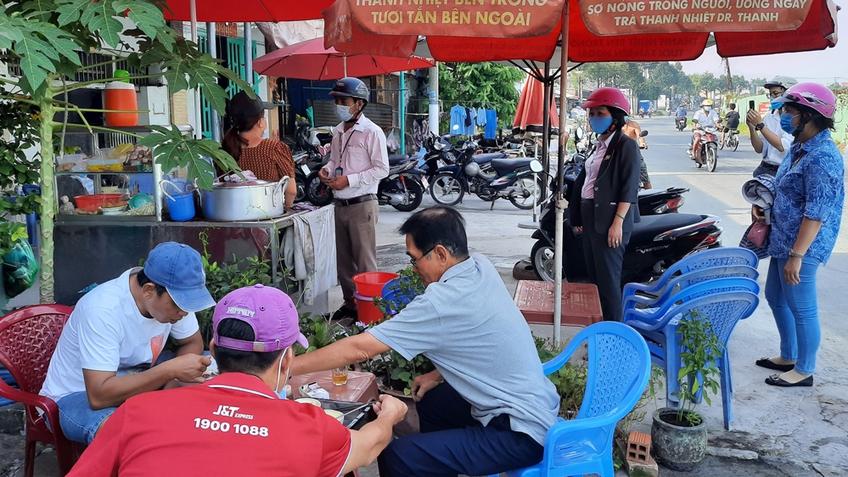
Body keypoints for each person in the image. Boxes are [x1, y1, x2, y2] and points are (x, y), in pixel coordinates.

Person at [292, 206, 559, 477]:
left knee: (399, 456)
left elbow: (361, 348)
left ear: (441, 254)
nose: (414, 268)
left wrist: (284, 368)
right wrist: (436, 374)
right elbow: (479, 339)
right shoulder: (481, 267)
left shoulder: (440, 302)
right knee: (433, 401)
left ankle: (423, 462)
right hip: (535, 404)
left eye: (415, 259)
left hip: (522, 434)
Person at [68, 284, 408, 476]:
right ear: (287, 359)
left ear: (214, 349)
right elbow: (367, 447)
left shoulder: (137, 412)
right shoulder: (311, 427)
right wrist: (391, 413)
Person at [40, 242, 215, 445]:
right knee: (128, 432)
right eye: (179, 304)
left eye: (189, 304)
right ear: (149, 290)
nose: (184, 313)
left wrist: (172, 383)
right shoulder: (102, 309)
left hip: (138, 373)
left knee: (208, 370)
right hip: (77, 394)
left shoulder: (172, 295)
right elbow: (99, 397)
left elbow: (192, 342)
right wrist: (169, 372)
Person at [753, 83, 844, 388]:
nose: (785, 117)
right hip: (783, 236)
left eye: (790, 112)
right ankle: (788, 355)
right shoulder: (798, 147)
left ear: (809, 114)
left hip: (804, 245)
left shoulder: (823, 157)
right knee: (775, 297)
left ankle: (804, 369)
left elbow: (816, 212)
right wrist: (764, 205)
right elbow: (787, 190)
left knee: (801, 306)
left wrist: (797, 256)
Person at [319, 77, 390, 322]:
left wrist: (349, 180)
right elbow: (334, 160)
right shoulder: (338, 131)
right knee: (344, 264)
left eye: (344, 101)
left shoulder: (372, 132)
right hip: (340, 203)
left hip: (362, 203)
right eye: (337, 101)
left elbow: (382, 169)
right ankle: (351, 306)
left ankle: (371, 314)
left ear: (359, 104)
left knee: (365, 263)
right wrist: (327, 169)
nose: (338, 105)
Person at [568, 87, 641, 323]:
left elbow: (628, 188)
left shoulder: (626, 146)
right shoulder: (598, 144)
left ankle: (615, 336)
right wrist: (577, 217)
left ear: (615, 117)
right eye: (592, 114)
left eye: (600, 113)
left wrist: (617, 223)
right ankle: (601, 329)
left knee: (609, 284)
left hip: (611, 221)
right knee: (595, 280)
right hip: (592, 220)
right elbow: (587, 182)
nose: (593, 119)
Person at [222, 90, 297, 207]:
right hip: (268, 216)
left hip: (234, 215)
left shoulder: (223, 151)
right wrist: (284, 208)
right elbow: (291, 191)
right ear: (260, 122)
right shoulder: (274, 148)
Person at [746, 76, 797, 177]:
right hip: (764, 168)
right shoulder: (770, 116)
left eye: (776, 93)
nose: (773, 98)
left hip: (783, 171)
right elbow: (759, 148)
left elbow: (782, 146)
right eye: (770, 94)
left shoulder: (795, 119)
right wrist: (752, 128)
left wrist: (760, 125)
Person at [622, 117, 651, 189]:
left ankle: (650, 194)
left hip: (633, 152)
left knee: (643, 172)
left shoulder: (634, 125)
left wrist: (642, 143)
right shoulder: (615, 126)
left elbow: (640, 136)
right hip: (619, 153)